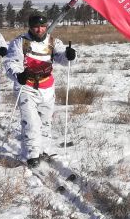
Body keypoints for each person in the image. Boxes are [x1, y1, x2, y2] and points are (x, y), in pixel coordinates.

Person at [4, 13, 76, 168]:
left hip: (47, 87)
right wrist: (18, 74)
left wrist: (69, 56)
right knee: (31, 122)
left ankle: (43, 149)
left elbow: (61, 58)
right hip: (26, 86)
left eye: (43, 26)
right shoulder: (20, 42)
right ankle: (31, 154)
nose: (40, 29)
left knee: (45, 121)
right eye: (36, 26)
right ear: (30, 27)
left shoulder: (52, 42)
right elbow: (11, 62)